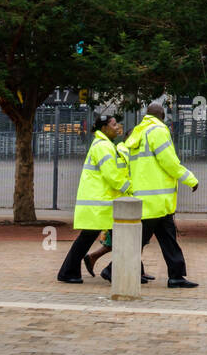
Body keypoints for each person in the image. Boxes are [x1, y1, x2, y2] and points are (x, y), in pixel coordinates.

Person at [121, 103, 199, 288]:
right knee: (142, 239)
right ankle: (113, 269)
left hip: (148, 197)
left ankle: (177, 276)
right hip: (157, 198)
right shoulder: (158, 130)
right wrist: (190, 179)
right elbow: (169, 162)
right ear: (163, 115)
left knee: (167, 238)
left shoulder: (140, 131)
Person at [56, 113, 133, 283]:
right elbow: (111, 175)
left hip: (100, 203)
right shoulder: (103, 146)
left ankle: (70, 271)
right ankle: (69, 272)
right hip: (99, 203)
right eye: (113, 125)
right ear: (104, 128)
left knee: (104, 238)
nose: (117, 127)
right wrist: (130, 189)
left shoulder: (103, 144)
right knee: (117, 237)